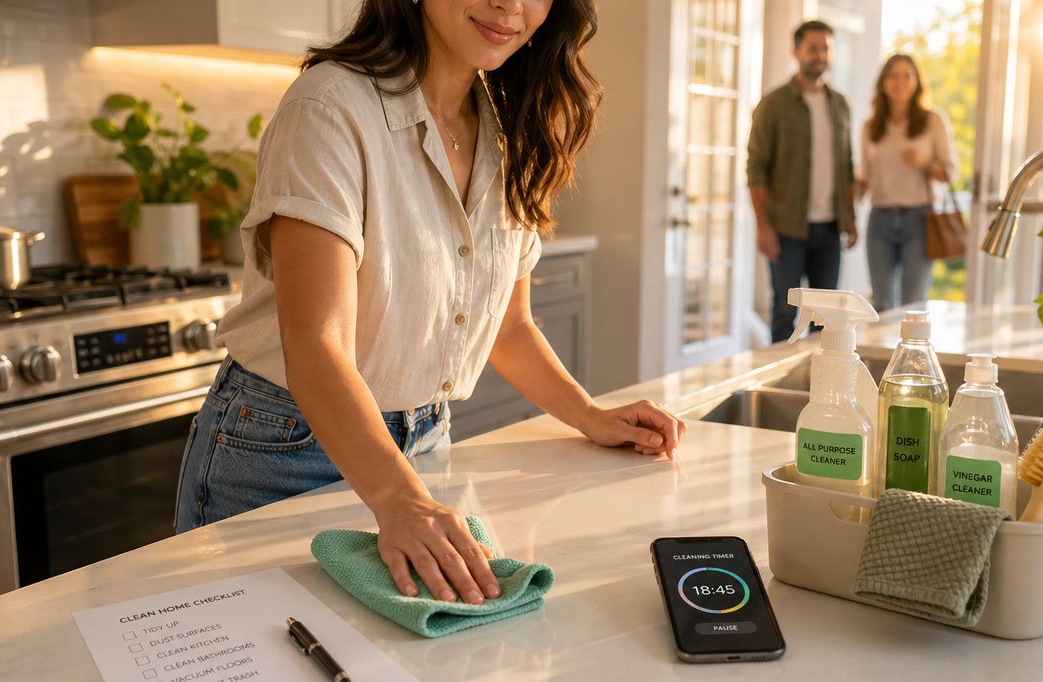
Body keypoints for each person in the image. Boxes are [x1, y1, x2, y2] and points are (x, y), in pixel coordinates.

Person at [174, 0, 687, 607]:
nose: (510, 4)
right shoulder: (329, 107)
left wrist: (588, 414)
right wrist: (399, 498)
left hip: (422, 439)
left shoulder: (506, 129)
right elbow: (316, 343)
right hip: (284, 448)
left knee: (403, 676)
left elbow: (509, 326)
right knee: (265, 676)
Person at [747, 19, 858, 343]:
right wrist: (762, 225)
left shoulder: (840, 105)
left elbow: (847, 166)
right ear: (796, 52)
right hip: (786, 228)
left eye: (826, 48)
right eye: (813, 48)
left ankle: (821, 382)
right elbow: (756, 168)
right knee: (785, 311)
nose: (820, 55)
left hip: (829, 227)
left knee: (827, 316)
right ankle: (780, 381)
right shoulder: (773, 105)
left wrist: (849, 217)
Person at [856, 53, 957, 313]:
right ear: (883, 82)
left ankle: (911, 355)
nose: (899, 82)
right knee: (880, 304)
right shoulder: (870, 127)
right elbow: (864, 178)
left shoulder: (933, 120)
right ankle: (884, 355)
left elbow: (949, 173)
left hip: (919, 220)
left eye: (906, 75)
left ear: (916, 82)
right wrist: (847, 212)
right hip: (880, 220)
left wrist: (924, 164)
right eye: (893, 75)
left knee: (912, 303)